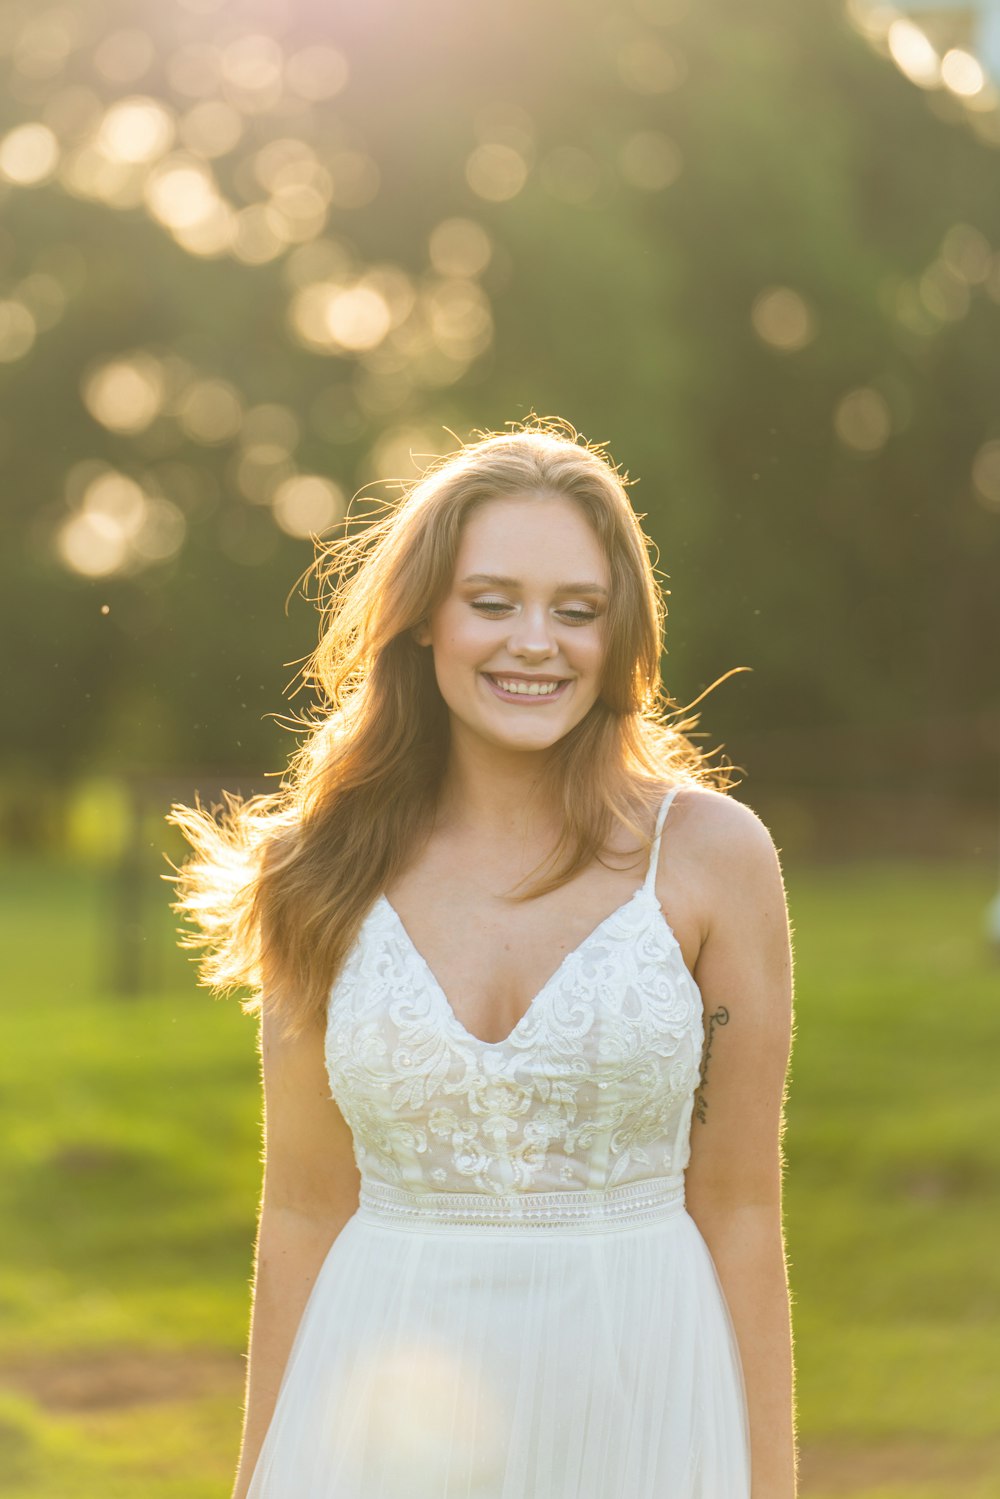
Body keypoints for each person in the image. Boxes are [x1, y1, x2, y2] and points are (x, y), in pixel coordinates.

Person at [168, 418, 797, 1499]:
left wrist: (770, 1482)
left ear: (620, 634)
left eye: (577, 609)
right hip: (380, 1398)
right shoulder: (316, 868)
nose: (534, 641)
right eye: (492, 601)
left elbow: (738, 1206)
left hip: (640, 1392)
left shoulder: (710, 857)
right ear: (422, 621)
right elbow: (305, 1209)